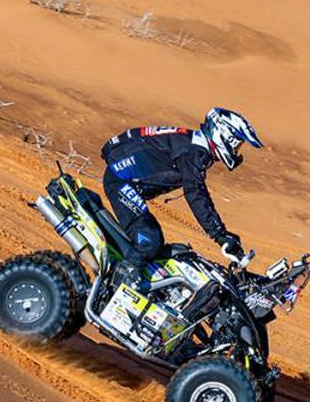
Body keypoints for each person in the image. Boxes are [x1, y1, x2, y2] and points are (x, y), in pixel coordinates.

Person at [100, 107, 263, 292]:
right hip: (120, 180)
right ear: (225, 136)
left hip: (124, 179)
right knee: (149, 240)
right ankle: (118, 287)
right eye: (238, 144)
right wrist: (219, 234)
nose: (236, 150)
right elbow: (195, 193)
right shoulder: (196, 152)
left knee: (154, 242)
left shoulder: (193, 145)